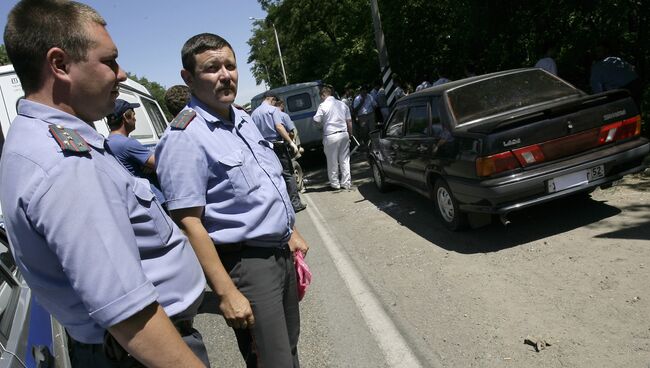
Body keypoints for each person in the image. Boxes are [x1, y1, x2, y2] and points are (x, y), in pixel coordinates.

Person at [0, 1, 209, 367]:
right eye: (110, 61)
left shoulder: (40, 140)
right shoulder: (66, 164)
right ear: (60, 65)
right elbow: (127, 312)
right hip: (141, 353)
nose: (122, 74)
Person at [155, 33, 310, 368]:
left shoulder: (241, 119)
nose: (225, 74)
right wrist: (225, 292)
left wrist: (290, 232)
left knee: (290, 348)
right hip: (247, 265)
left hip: (279, 253)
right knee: (271, 359)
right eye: (212, 68)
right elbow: (189, 222)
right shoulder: (184, 137)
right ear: (188, 78)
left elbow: (264, 182)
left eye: (230, 65)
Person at [251, 91, 307, 212]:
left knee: (272, 176)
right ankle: (295, 204)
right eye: (275, 101)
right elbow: (279, 127)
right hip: (278, 146)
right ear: (271, 99)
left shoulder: (254, 114)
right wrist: (291, 142)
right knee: (288, 174)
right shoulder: (273, 110)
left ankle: (281, 206)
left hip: (263, 148)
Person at [105, 99, 165, 204]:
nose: (135, 119)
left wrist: (148, 165)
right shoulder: (127, 143)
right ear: (126, 117)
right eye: (133, 115)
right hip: (152, 200)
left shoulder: (107, 142)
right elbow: (163, 164)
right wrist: (151, 166)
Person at [313, 86, 353, 190]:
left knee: (332, 161)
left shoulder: (322, 106)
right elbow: (349, 121)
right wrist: (351, 134)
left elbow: (316, 119)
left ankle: (335, 184)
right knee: (345, 160)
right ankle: (346, 182)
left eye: (321, 96)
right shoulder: (342, 104)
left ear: (323, 95)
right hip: (344, 134)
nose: (321, 99)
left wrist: (321, 127)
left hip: (331, 136)